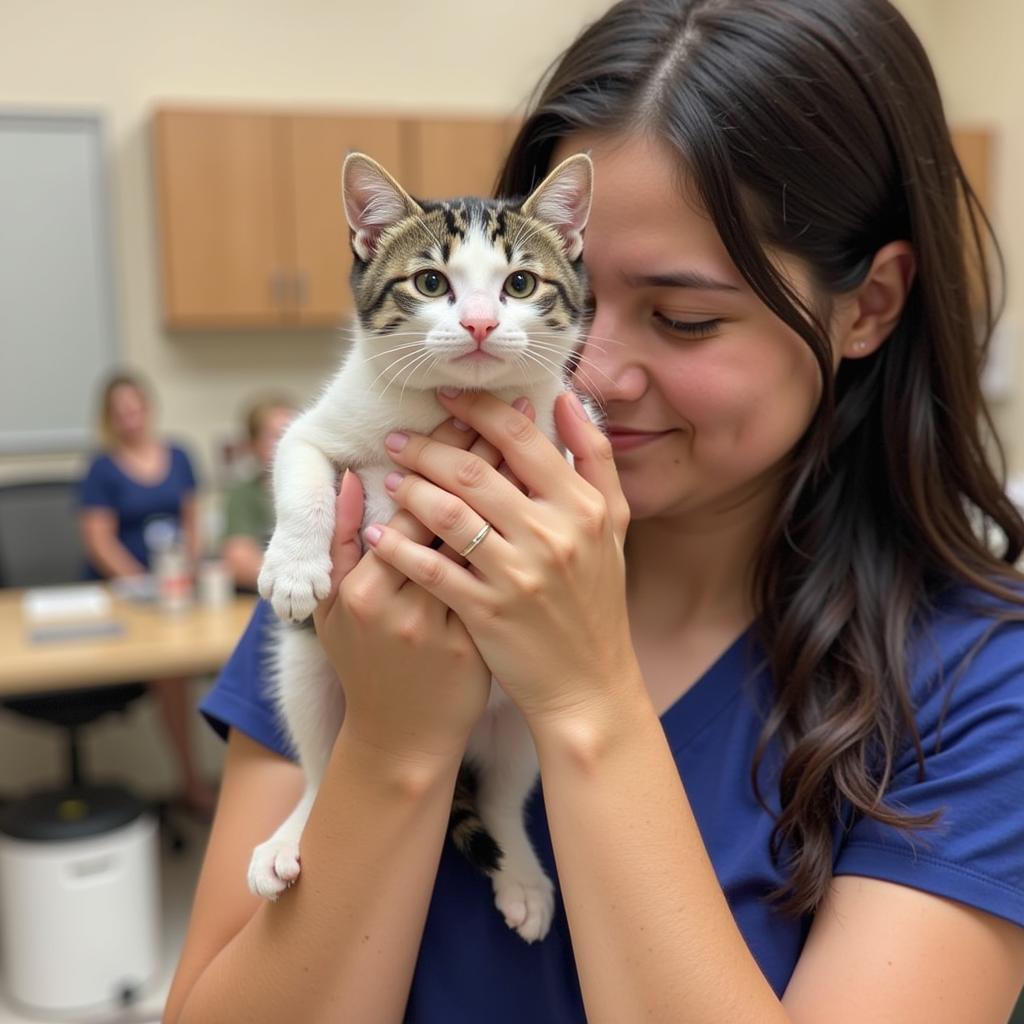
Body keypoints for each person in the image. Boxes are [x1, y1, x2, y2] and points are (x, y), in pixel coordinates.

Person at [164, 1, 1024, 1020]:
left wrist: (582, 699)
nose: (584, 366)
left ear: (868, 304)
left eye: (684, 317)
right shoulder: (374, 550)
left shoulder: (977, 685)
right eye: (561, 288)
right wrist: (390, 748)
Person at [79, 371, 216, 819]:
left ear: (148, 408)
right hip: (127, 594)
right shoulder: (102, 468)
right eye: (120, 412)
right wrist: (144, 584)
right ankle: (190, 780)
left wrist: (186, 571)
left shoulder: (178, 455)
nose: (130, 418)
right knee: (168, 668)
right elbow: (99, 542)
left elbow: (194, 520)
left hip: (180, 587)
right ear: (109, 419)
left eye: (135, 407)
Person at [221, 397, 297, 592]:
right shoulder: (244, 494)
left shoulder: (328, 487)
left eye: (293, 431)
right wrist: (297, 576)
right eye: (275, 436)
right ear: (252, 445)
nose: (286, 443)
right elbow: (239, 561)